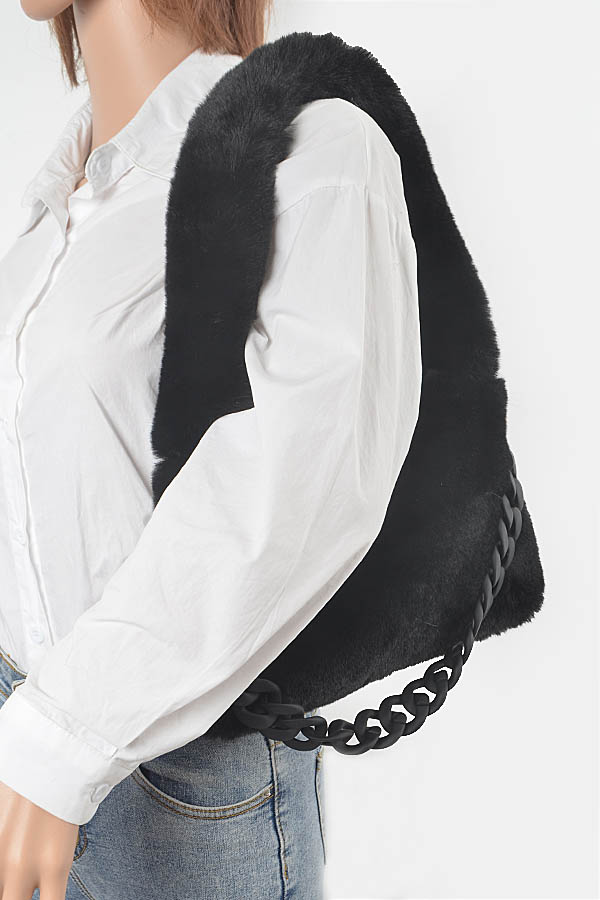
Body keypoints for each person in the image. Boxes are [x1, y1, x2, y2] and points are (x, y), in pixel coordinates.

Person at [0, 0, 422, 897]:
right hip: (22, 735)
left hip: (181, 786)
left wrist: (61, 737)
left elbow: (304, 487)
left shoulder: (314, 147)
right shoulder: (62, 195)